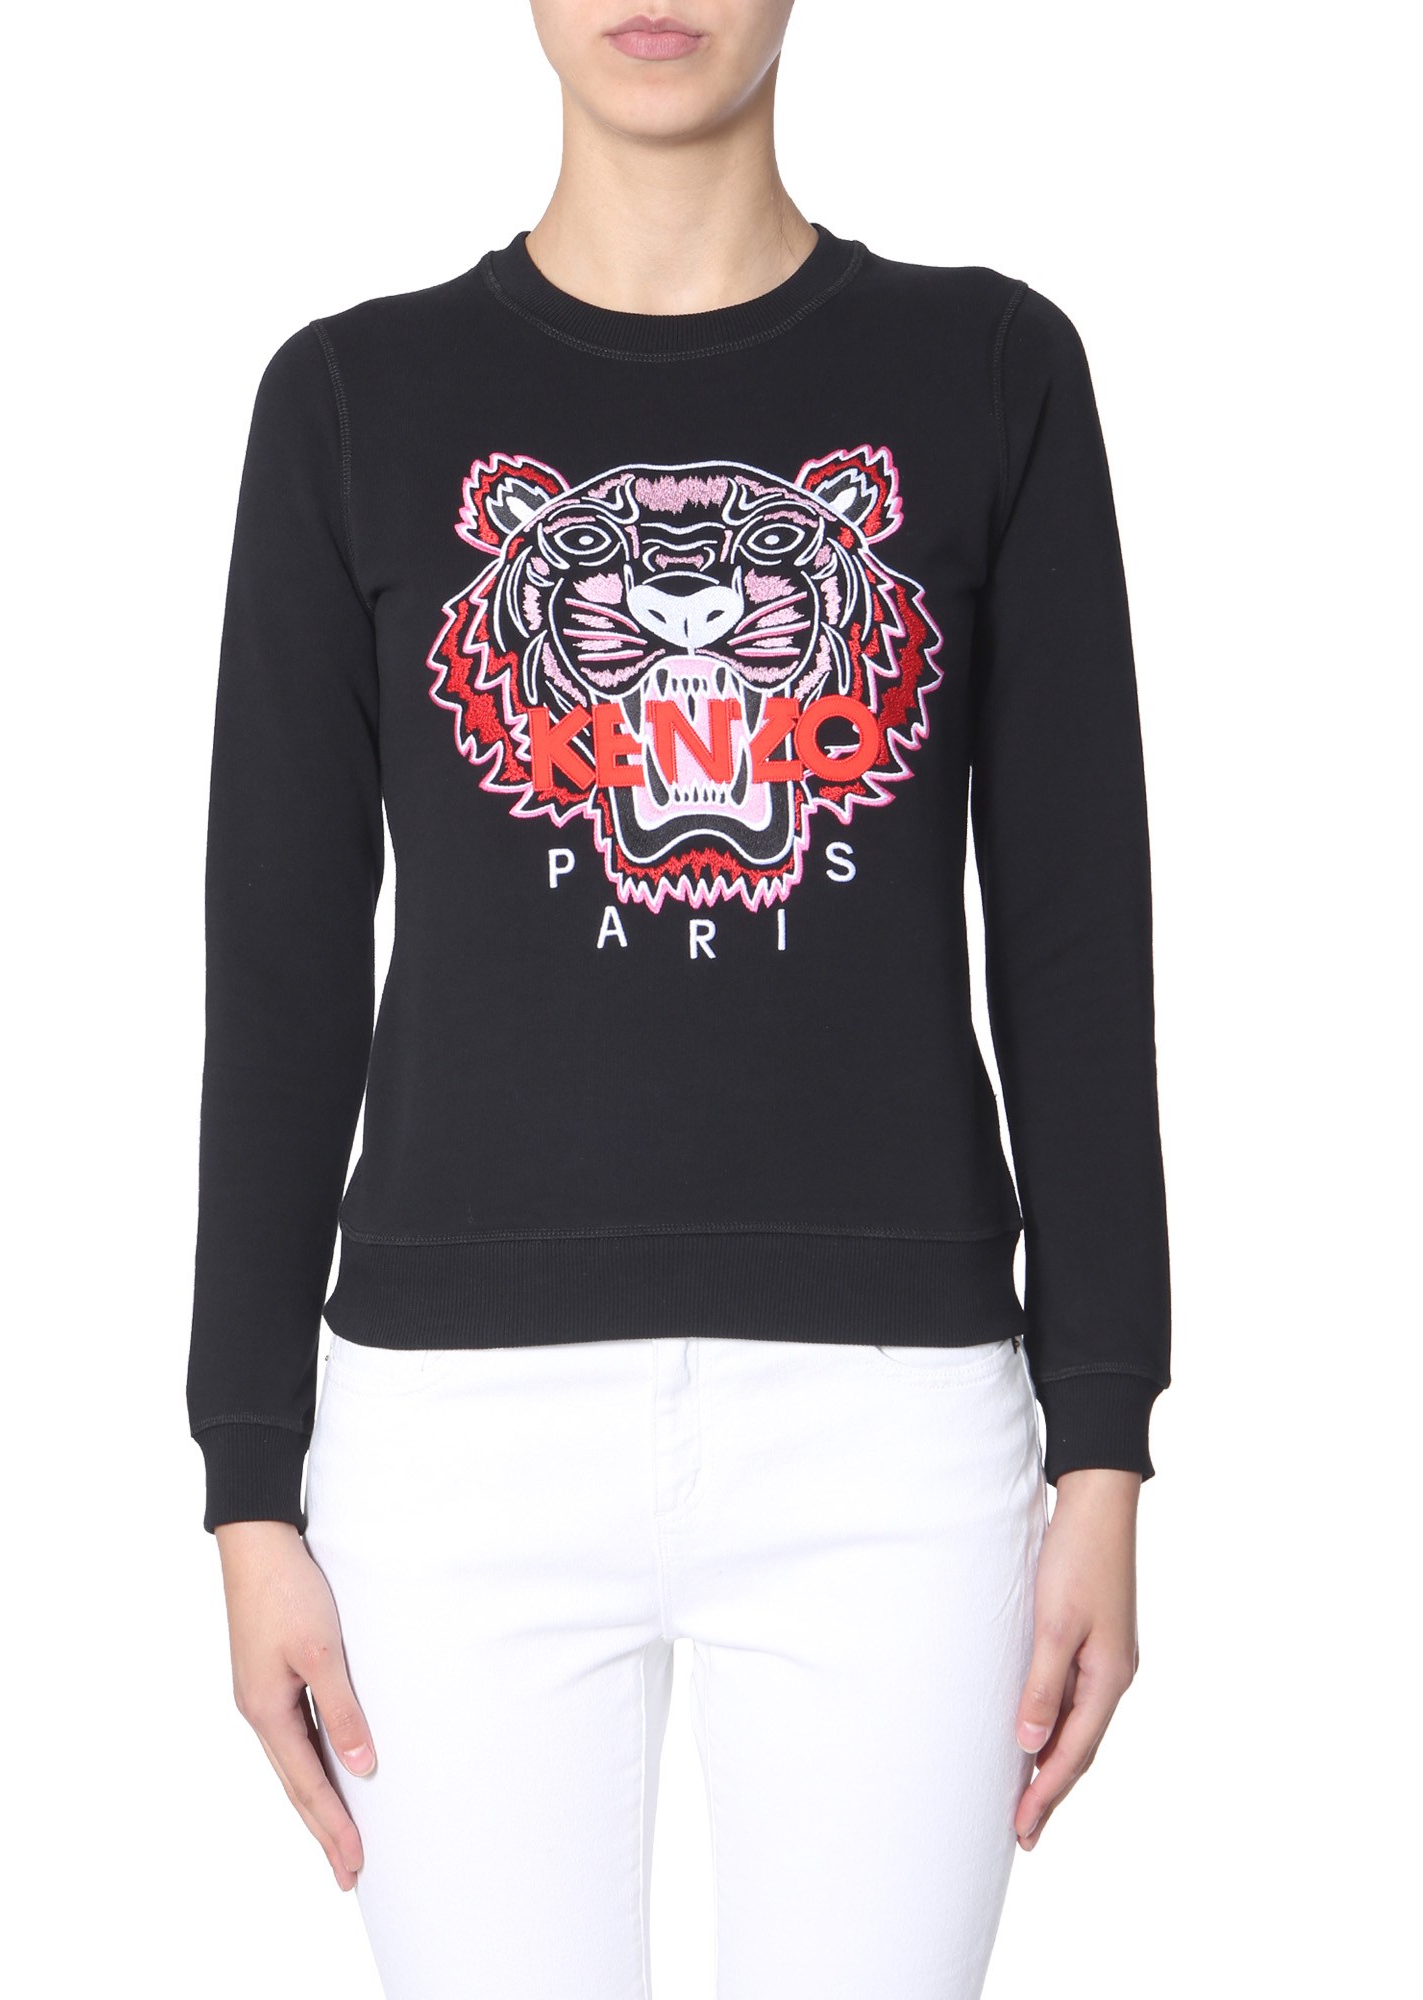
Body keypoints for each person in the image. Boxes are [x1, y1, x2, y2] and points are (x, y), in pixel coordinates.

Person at [187, 4, 1172, 1994]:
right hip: (451, 1441)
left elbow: (1077, 932)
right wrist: (245, 1477)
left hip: (899, 1435)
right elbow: (277, 961)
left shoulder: (992, 369)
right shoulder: (354, 398)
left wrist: (1106, 1441)